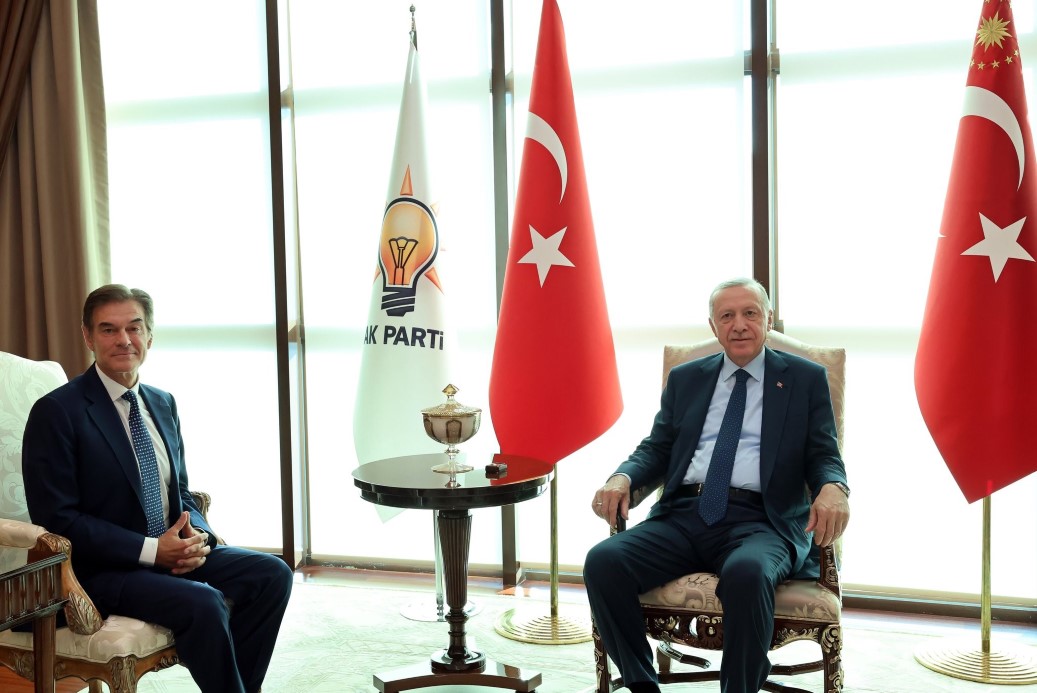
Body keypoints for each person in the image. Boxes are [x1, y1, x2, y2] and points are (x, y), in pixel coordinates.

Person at [22, 284, 293, 693]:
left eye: (134, 328)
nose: (124, 340)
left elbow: (180, 491)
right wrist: (151, 550)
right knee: (203, 602)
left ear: (149, 336)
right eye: (109, 329)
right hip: (100, 571)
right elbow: (58, 518)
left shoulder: (162, 402)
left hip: (170, 554)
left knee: (272, 574)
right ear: (88, 336)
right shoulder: (57, 412)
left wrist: (196, 537)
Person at [584, 277, 850, 693]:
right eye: (727, 316)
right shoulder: (687, 378)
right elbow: (657, 447)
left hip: (762, 520)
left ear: (768, 319)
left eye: (750, 313)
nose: (739, 324)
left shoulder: (803, 378)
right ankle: (642, 684)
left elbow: (823, 453)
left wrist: (834, 485)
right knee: (604, 561)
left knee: (748, 573)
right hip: (684, 514)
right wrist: (623, 476)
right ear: (713, 326)